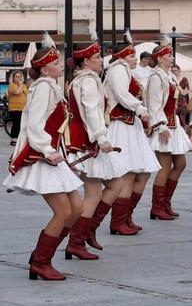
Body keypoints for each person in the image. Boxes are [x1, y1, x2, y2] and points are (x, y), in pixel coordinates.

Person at [4, 33, 83, 281]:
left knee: (77, 208)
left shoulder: (51, 88)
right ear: (45, 69)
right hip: (41, 157)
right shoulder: (42, 89)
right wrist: (48, 151)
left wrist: (63, 154)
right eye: (57, 62)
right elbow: (35, 126)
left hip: (53, 156)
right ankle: (41, 261)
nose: (62, 65)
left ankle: (41, 253)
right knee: (63, 212)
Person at [64, 37, 128, 261]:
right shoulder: (88, 81)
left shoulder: (81, 79)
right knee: (92, 193)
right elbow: (91, 112)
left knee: (116, 183)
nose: (101, 60)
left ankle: (87, 232)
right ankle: (77, 241)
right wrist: (101, 138)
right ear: (85, 61)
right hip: (86, 142)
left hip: (86, 140)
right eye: (97, 57)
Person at [103, 32, 161, 244]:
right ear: (121, 57)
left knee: (142, 173)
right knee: (128, 174)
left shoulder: (127, 71)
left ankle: (126, 216)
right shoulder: (118, 69)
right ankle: (118, 221)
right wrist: (139, 108)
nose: (135, 59)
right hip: (122, 125)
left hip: (132, 125)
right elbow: (120, 94)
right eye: (131, 55)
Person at [146, 44, 192, 221]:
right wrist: (161, 127)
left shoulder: (168, 75)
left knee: (180, 164)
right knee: (165, 166)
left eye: (171, 55)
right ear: (159, 58)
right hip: (164, 125)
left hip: (174, 124)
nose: (172, 58)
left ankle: (166, 202)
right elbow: (154, 105)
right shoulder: (157, 77)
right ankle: (157, 206)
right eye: (168, 55)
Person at [7, 70, 28, 146]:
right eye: (16, 76)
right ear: (13, 78)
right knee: (17, 123)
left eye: (19, 76)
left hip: (23, 108)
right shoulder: (12, 85)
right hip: (14, 108)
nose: (18, 78)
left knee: (21, 124)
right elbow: (17, 92)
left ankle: (19, 139)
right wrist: (20, 85)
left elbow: (27, 94)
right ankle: (13, 139)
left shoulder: (24, 86)